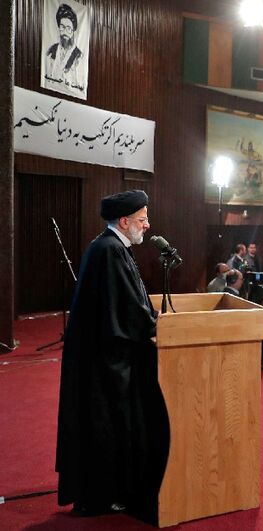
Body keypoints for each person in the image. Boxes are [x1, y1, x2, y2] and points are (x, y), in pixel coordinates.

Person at [56, 190, 167, 516]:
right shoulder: (110, 251)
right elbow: (128, 310)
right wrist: (154, 322)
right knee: (107, 427)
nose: (147, 225)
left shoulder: (110, 247)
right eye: (143, 219)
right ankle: (103, 495)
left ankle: (107, 492)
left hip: (103, 358)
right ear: (124, 221)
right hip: (104, 365)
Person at [43, 3, 86, 97]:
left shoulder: (79, 56)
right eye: (62, 27)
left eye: (69, 28)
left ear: (73, 31)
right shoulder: (50, 51)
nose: (65, 32)